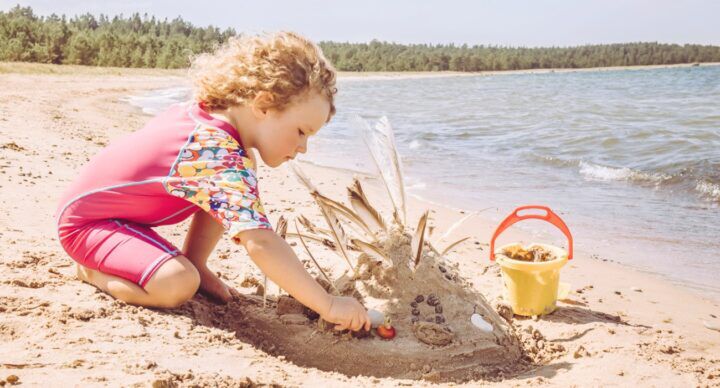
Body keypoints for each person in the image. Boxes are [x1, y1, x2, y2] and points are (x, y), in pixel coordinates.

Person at [55, 31, 370, 332]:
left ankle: (197, 262)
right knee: (177, 283)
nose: (303, 148)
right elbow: (260, 242)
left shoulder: (215, 126)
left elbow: (225, 197)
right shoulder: (214, 150)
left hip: (115, 218)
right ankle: (92, 273)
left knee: (236, 180)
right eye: (301, 132)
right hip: (89, 225)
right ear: (262, 105)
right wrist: (327, 304)